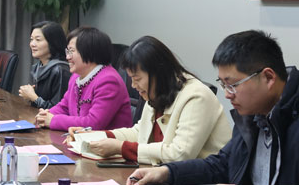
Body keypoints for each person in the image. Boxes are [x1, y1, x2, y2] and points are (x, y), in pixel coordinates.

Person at [127, 30, 299, 185]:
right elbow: (224, 164)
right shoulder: (255, 109)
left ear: (268, 78)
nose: (227, 94)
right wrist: (166, 172)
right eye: (223, 84)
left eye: (232, 85)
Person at [71, 36, 230, 164]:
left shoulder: (196, 96)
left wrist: (121, 148)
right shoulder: (158, 92)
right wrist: (95, 136)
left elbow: (180, 154)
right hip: (165, 178)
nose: (133, 86)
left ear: (158, 73)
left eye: (137, 79)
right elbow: (139, 132)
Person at [34, 26, 130, 131]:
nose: (67, 57)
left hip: (107, 140)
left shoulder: (109, 81)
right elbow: (64, 106)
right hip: (79, 138)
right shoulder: (76, 76)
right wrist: (46, 115)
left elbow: (93, 123)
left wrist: (53, 120)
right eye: (67, 51)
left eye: (71, 51)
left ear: (89, 52)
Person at [18, 21, 70, 109]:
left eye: (38, 40)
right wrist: (29, 95)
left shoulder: (60, 70)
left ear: (52, 42)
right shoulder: (38, 66)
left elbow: (58, 110)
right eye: (31, 39)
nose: (32, 44)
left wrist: (34, 97)